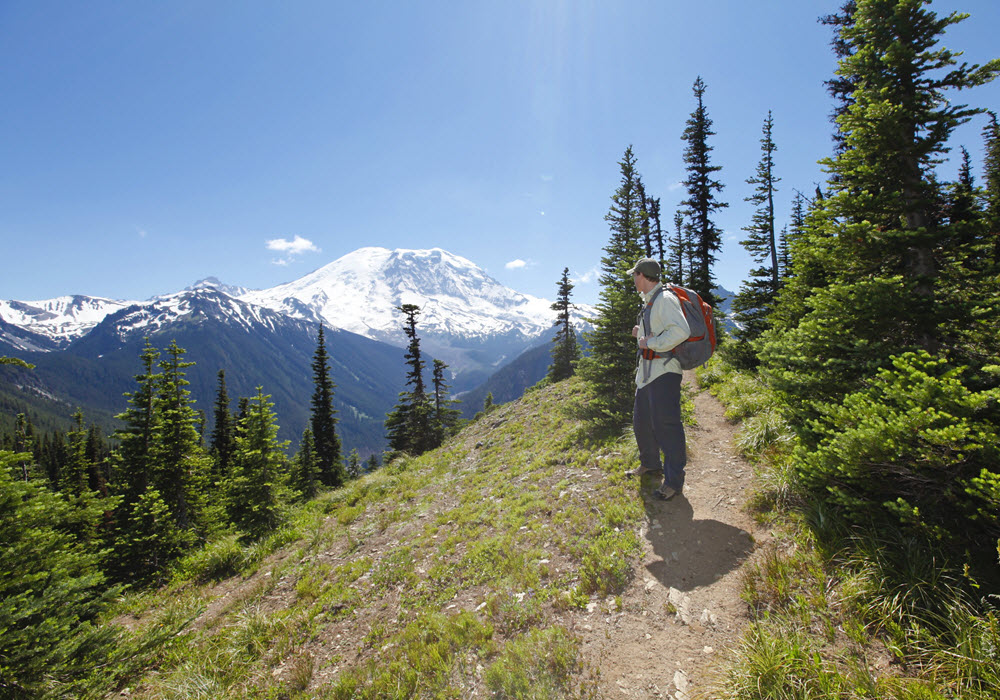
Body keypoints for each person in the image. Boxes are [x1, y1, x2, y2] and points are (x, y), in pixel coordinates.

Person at [626, 257, 691, 501]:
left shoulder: (664, 299)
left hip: (664, 372)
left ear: (643, 275)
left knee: (668, 427)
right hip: (647, 374)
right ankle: (650, 463)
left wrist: (649, 342)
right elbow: (656, 332)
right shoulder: (651, 301)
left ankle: (674, 481)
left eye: (635, 274)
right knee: (641, 422)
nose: (633, 279)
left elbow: (681, 330)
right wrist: (640, 334)